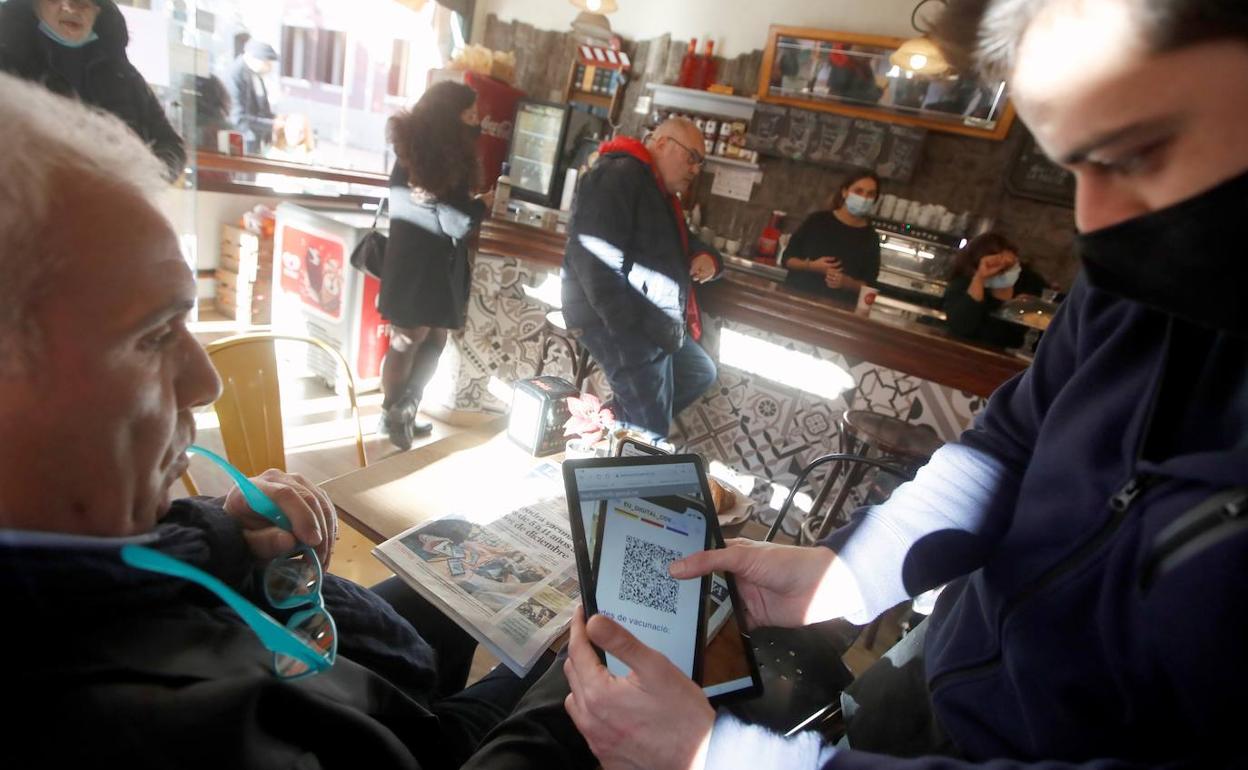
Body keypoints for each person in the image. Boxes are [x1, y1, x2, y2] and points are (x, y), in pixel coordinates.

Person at [553, 0, 1248, 767]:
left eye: (1139, 151)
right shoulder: (1129, 292)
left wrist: (721, 759)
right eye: (1072, 162)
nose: (1096, 223)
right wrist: (843, 574)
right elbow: (1007, 451)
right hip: (939, 670)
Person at [0, 72, 550, 768]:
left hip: (364, 682)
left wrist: (222, 539)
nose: (206, 380)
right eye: (152, 335)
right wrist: (576, 705)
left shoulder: (74, 547)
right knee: (555, 659)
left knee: (462, 558)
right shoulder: (143, 732)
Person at [561, 117, 724, 438]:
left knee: (699, 371)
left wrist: (710, 259)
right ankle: (620, 470)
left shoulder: (660, 194)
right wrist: (630, 334)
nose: (695, 170)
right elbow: (594, 260)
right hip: (620, 324)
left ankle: (611, 420)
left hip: (654, 325)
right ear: (662, 143)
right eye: (692, 157)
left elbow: (683, 243)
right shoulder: (619, 175)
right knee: (649, 430)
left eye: (699, 163)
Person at [378, 81, 492, 450]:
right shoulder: (450, 159)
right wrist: (483, 203)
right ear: (451, 117)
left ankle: (398, 411)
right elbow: (457, 222)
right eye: (471, 114)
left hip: (406, 260)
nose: (478, 121)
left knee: (408, 341)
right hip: (432, 266)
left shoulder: (411, 150)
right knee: (425, 340)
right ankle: (399, 410)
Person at [0, 0, 185, 180]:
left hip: (115, 204)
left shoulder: (124, 74)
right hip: (30, 203)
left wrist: (141, 178)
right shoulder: (7, 64)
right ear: (34, 5)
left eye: (84, 3)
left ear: (98, 10)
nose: (72, 8)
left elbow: (171, 145)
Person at [782, 168, 882, 305]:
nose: (864, 198)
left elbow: (870, 286)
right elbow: (787, 259)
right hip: (796, 303)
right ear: (845, 192)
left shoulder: (871, 238)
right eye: (858, 191)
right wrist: (811, 266)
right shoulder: (817, 221)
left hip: (838, 313)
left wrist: (848, 283)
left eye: (870, 194)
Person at [942, 232, 1050, 347]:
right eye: (997, 266)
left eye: (1010, 265)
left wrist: (1025, 307)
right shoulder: (963, 284)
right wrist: (980, 278)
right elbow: (961, 326)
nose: (1004, 270)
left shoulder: (1030, 283)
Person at [225, 38, 279, 154]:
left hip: (255, 138)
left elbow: (262, 107)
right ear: (254, 58)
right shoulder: (235, 75)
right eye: (267, 63)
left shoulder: (256, 74)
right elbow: (238, 117)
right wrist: (272, 124)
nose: (270, 68)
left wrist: (275, 119)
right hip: (243, 139)